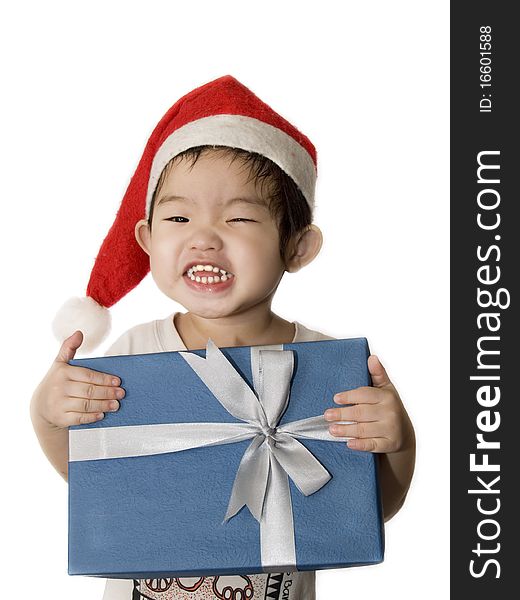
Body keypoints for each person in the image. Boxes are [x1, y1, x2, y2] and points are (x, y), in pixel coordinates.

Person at [30, 75, 416, 600]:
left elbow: (366, 508)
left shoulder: (327, 365)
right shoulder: (134, 357)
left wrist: (396, 441)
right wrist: (50, 413)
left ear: (298, 247)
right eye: (178, 216)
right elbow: (94, 482)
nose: (204, 236)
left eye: (238, 217)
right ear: (147, 240)